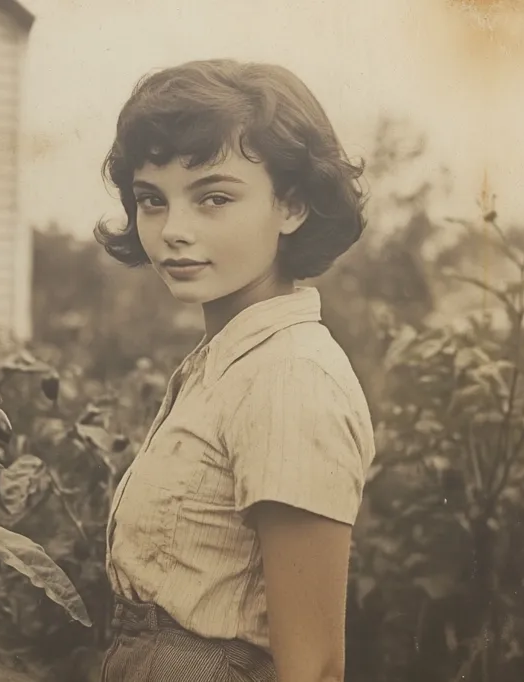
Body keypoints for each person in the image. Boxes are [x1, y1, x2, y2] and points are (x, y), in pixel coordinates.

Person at [93, 58, 377, 682]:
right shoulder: (226, 364)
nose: (174, 230)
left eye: (214, 198)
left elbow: (315, 669)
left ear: (292, 206)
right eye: (152, 200)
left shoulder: (290, 379)